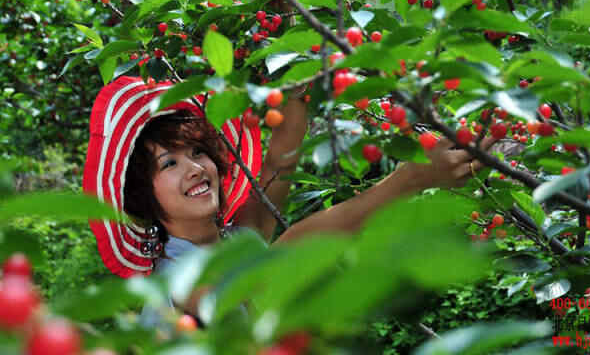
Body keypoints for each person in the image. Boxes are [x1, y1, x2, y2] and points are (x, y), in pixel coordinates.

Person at [83, 75, 494, 323]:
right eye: (169, 164)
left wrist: (295, 62)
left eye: (197, 152)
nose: (194, 168)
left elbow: (280, 160)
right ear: (143, 195)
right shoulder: (176, 281)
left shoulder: (236, 237)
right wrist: (411, 179)